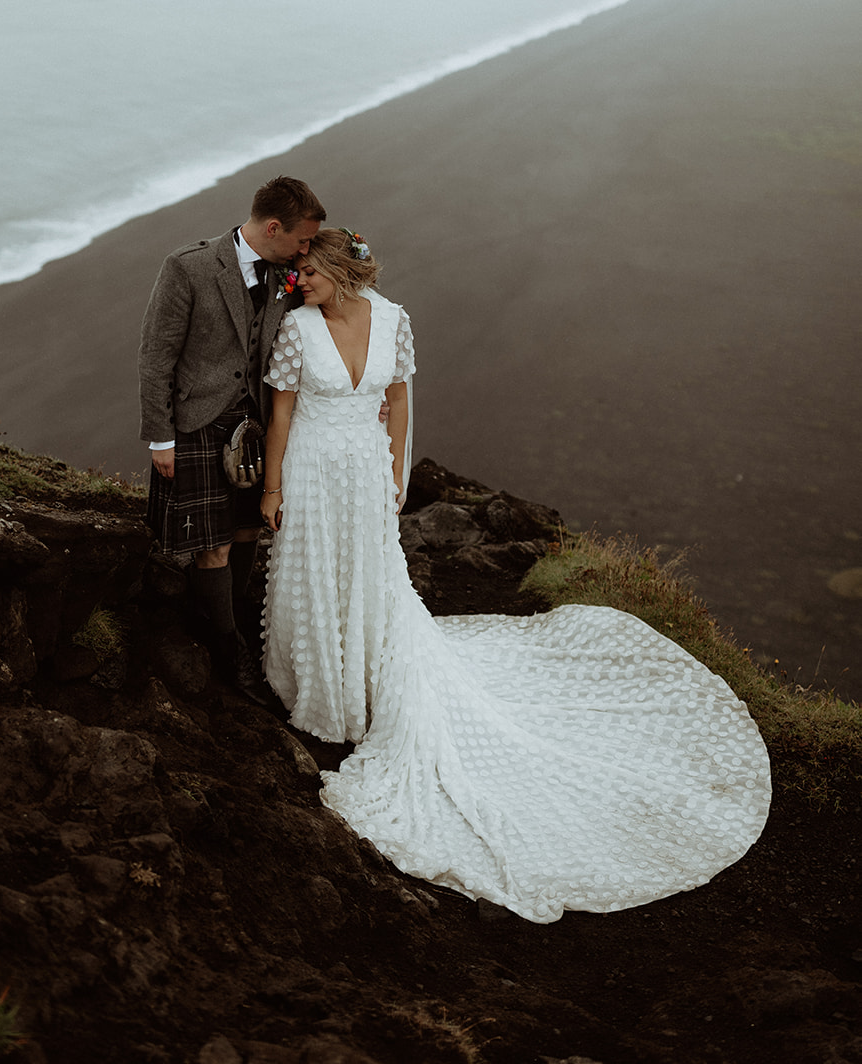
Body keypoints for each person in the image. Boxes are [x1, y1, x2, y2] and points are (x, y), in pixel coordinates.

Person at [258, 227, 771, 924]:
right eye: (291, 274)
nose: (295, 282)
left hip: (365, 472)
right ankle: (324, 686)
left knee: (374, 580)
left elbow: (400, 397)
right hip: (314, 470)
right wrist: (271, 487)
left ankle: (369, 677)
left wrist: (396, 470)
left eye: (304, 271)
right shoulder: (296, 329)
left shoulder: (392, 320)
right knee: (314, 576)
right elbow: (282, 410)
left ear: (336, 270)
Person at [138, 175, 325, 690]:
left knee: (247, 533)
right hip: (197, 422)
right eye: (302, 239)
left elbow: (318, 336)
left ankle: (232, 619)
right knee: (211, 545)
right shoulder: (189, 267)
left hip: (257, 424)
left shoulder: (286, 274)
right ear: (272, 226)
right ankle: (227, 655)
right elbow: (157, 356)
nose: (306, 249)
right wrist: (161, 438)